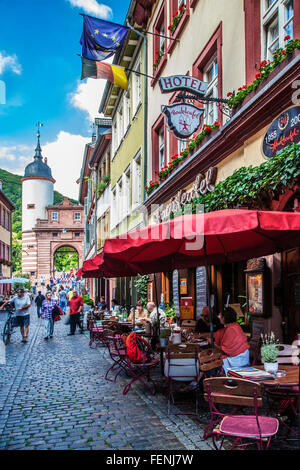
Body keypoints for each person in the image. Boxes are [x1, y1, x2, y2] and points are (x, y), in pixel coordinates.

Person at [214, 307, 250, 375]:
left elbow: (226, 350)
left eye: (220, 316)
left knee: (216, 361)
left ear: (224, 318)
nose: (219, 317)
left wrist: (213, 344)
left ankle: (228, 380)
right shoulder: (235, 326)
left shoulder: (231, 329)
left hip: (238, 360)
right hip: (244, 357)